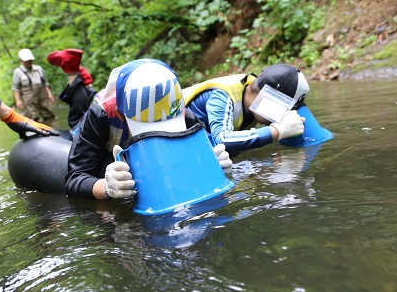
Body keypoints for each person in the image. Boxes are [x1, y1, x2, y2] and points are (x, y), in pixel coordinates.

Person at [66, 58, 231, 200]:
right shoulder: (101, 115)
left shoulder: (183, 114)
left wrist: (215, 162)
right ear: (121, 114)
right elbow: (75, 178)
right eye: (149, 126)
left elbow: (208, 152)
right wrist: (107, 188)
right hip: (102, 151)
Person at [183, 63, 309, 153]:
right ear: (266, 99)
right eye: (284, 109)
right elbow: (222, 140)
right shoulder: (223, 96)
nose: (283, 115)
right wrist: (277, 131)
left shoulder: (254, 99)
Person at [46, 49, 97, 132]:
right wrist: (89, 87)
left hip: (81, 129)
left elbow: (78, 119)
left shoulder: (78, 90)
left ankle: (72, 72)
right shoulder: (80, 89)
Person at [12, 48, 56, 122]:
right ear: (21, 60)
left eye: (30, 60)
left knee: (49, 116)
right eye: (27, 60)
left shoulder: (39, 69)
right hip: (29, 102)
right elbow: (16, 88)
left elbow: (45, 83)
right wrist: (18, 100)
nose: (29, 62)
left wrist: (49, 94)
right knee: (33, 119)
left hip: (42, 99)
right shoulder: (18, 72)